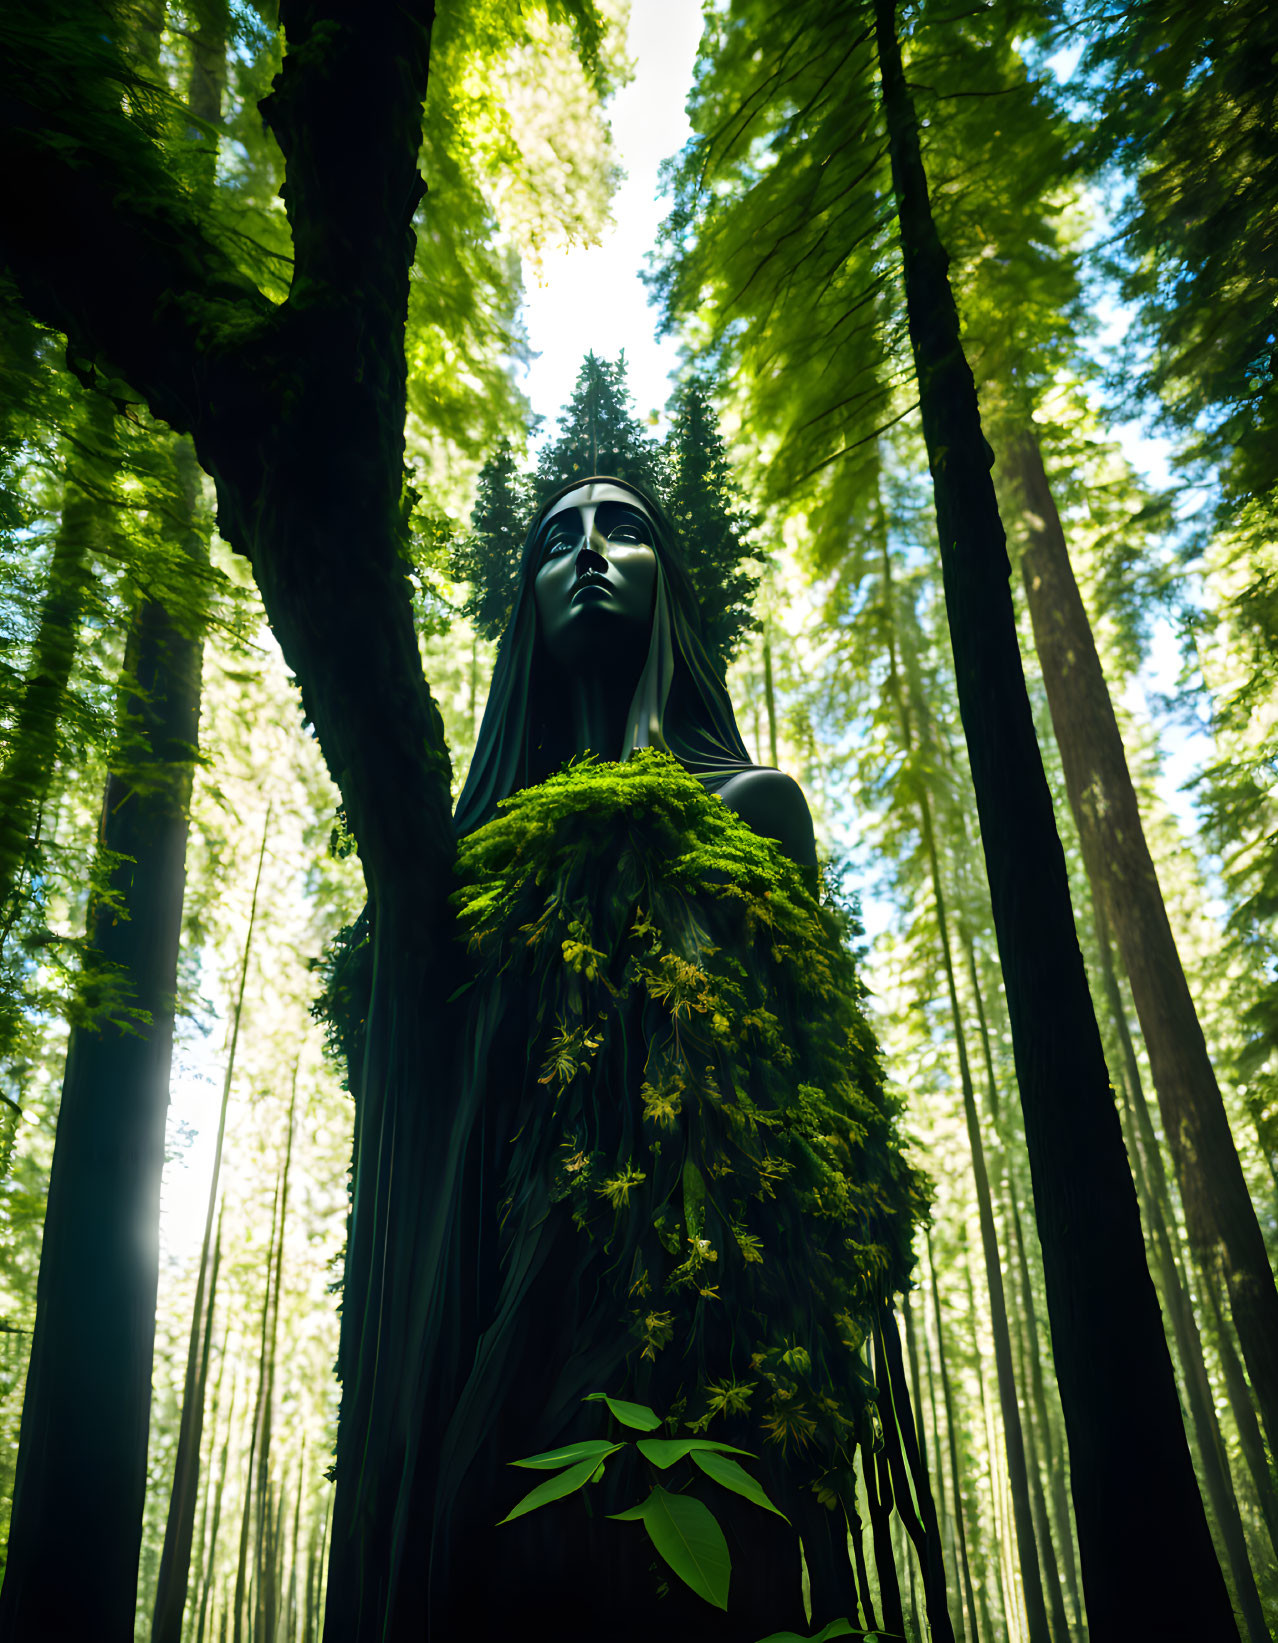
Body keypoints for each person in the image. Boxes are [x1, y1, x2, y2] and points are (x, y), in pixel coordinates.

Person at [409, 478, 931, 1639]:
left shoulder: (756, 810)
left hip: (716, 1354)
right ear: (523, 608)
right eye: (555, 542)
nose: (587, 552)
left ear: (671, 588)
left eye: (622, 528)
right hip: (491, 1365)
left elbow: (816, 1114)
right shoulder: (469, 865)